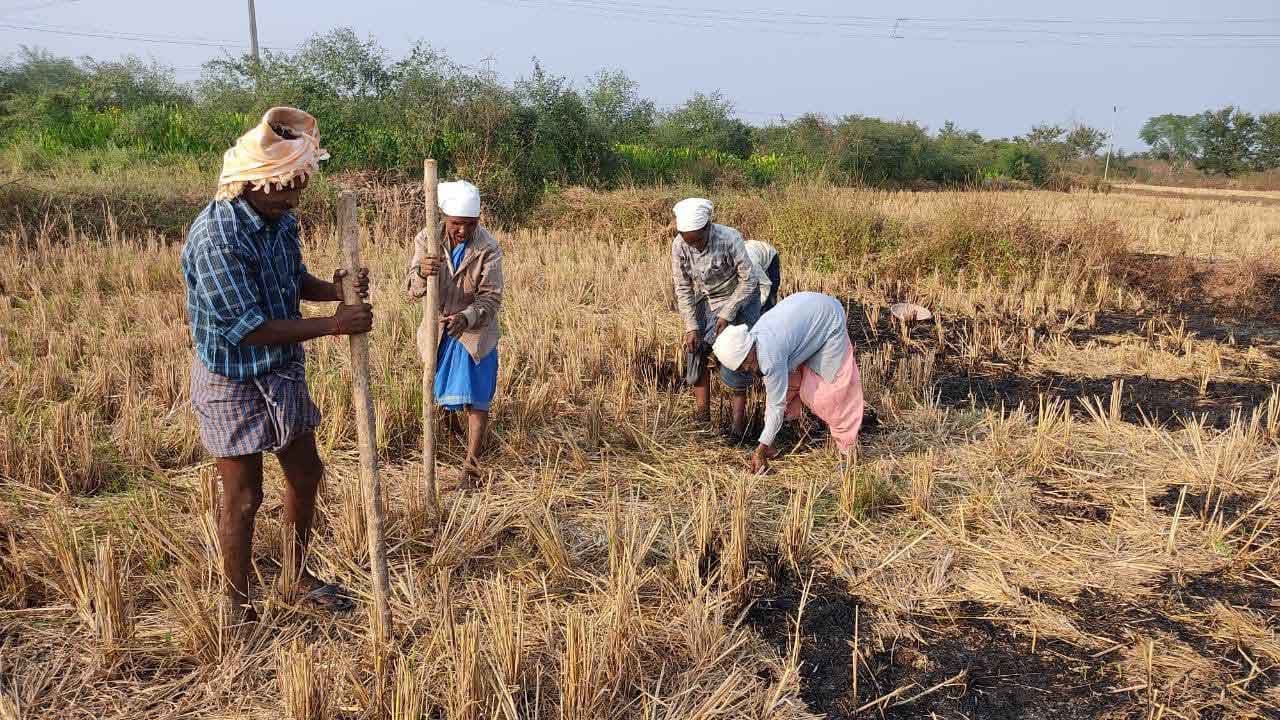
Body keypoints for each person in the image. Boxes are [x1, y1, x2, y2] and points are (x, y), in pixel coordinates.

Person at [182, 107, 371, 622]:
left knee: (306, 473)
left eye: (298, 187)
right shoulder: (216, 238)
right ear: (253, 183)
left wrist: (335, 291)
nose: (293, 199)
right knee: (244, 497)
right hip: (232, 376)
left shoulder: (280, 220)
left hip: (280, 367)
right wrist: (334, 324)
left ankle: (296, 574)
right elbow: (246, 327)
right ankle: (237, 605)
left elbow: (293, 279)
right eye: (285, 188)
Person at [406, 180, 503, 487]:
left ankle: (471, 466)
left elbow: (491, 298)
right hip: (438, 329)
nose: (463, 231)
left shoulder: (488, 247)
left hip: (475, 332)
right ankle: (451, 437)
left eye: (470, 224)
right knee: (440, 390)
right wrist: (422, 272)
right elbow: (412, 289)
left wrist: (466, 317)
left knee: (477, 397)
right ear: (445, 218)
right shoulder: (427, 239)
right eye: (457, 224)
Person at [711, 292, 864, 474]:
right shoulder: (755, 340)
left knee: (830, 395)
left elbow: (775, 404)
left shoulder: (769, 356)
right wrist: (767, 440)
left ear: (749, 350)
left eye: (745, 363)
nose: (747, 369)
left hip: (828, 320)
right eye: (742, 368)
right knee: (790, 383)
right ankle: (790, 430)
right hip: (810, 312)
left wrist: (760, 449)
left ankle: (848, 452)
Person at [670, 197, 759, 438]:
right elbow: (683, 288)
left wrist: (728, 313)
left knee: (736, 351)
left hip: (740, 295)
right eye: (688, 241)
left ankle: (737, 426)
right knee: (695, 347)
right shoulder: (679, 245)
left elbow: (749, 280)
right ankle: (702, 417)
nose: (694, 246)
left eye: (698, 240)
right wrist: (692, 327)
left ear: (708, 227)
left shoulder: (729, 237)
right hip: (708, 296)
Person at [744, 239, 781, 312]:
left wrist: (758, 306)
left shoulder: (751, 263)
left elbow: (765, 284)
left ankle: (770, 312)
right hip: (754, 251)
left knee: (771, 294)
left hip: (769, 254)